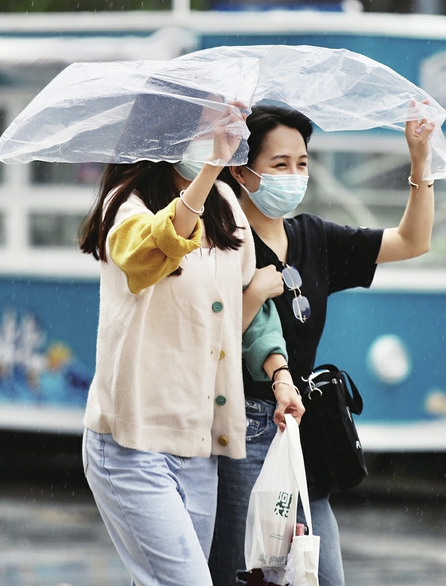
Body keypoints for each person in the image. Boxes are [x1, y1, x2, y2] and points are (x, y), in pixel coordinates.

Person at [78, 97, 304, 586]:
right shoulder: (126, 206)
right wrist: (209, 173)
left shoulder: (225, 206)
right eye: (207, 129)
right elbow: (154, 249)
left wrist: (279, 374)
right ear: (166, 135)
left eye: (223, 129)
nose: (218, 139)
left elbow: (248, 305)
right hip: (130, 444)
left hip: (199, 445)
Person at [209, 104, 435, 586]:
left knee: (323, 575)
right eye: (279, 165)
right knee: (244, 573)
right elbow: (209, 342)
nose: (294, 175)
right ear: (241, 171)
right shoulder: (221, 242)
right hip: (242, 429)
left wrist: (420, 164)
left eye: (302, 163)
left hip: (299, 428)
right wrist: (252, 295)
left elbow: (412, 242)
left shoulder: (313, 236)